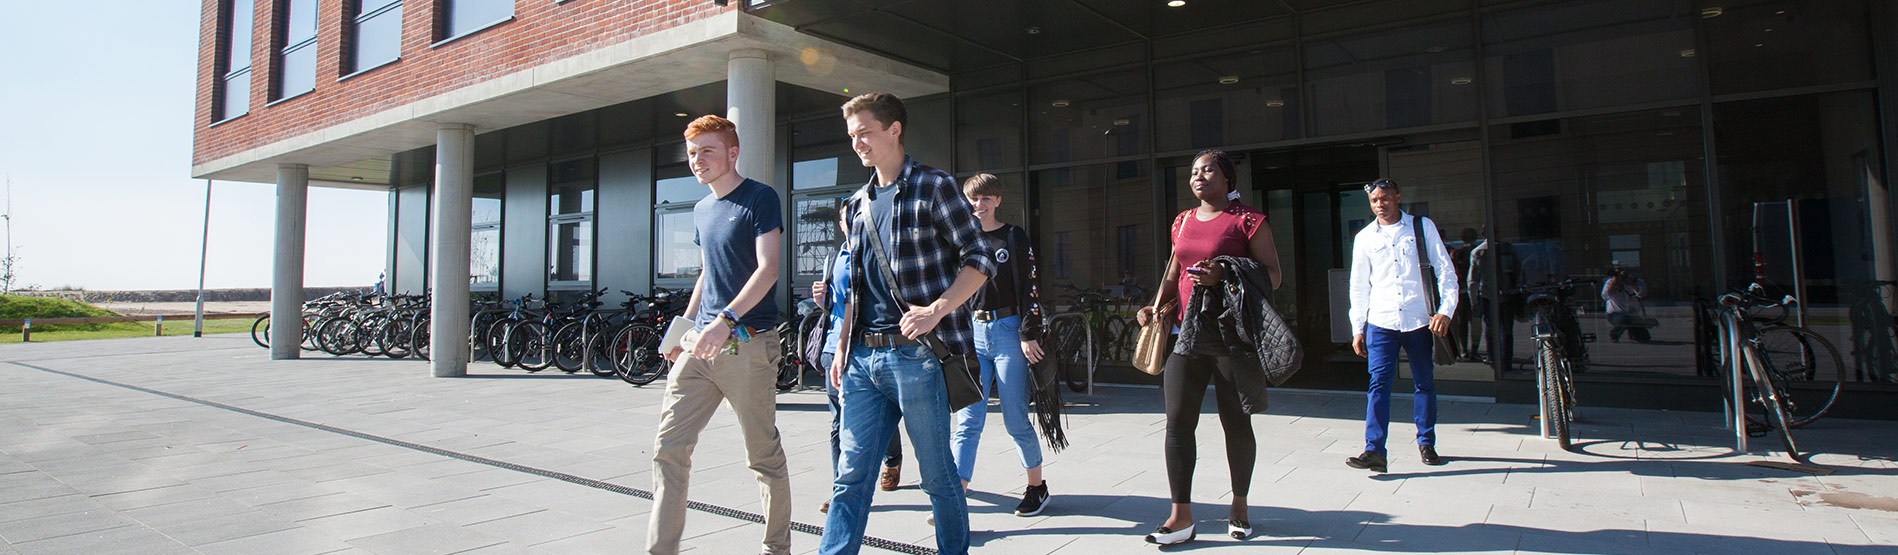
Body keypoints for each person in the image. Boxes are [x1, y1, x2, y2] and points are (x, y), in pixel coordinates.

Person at [819, 92, 994, 555]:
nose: (857, 143)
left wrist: (937, 309)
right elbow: (856, 286)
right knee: (850, 477)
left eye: (865, 132)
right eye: (852, 135)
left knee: (937, 476)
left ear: (894, 129)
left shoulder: (934, 186)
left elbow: (980, 258)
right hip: (861, 358)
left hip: (916, 356)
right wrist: (840, 349)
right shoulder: (857, 203)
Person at [646, 115, 791, 555]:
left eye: (707, 151)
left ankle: (776, 548)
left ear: (732, 152)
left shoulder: (759, 199)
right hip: (700, 346)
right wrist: (683, 329)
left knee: (762, 456)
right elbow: (709, 272)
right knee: (668, 449)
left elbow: (768, 270)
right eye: (692, 153)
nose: (697, 160)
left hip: (747, 345)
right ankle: (661, 550)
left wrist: (723, 320)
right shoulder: (701, 209)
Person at [1134, 149, 1281, 546]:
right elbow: (1173, 269)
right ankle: (1180, 516)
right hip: (1186, 335)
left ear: (1228, 178)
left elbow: (1273, 276)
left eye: (1208, 170)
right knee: (1178, 423)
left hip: (1231, 338)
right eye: (1194, 171)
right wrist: (1155, 303)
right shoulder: (1182, 221)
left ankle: (1239, 506)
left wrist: (1226, 271)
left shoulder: (1248, 220)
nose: (1199, 176)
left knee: (1236, 422)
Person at [950, 173, 1051, 516]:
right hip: (973, 334)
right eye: (974, 199)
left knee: (1014, 419)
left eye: (986, 198)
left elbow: (1030, 287)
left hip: (1008, 332)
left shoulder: (1013, 236)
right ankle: (956, 492)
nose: (980, 205)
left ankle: (1037, 486)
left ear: (998, 201)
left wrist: (1028, 333)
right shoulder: (961, 241)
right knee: (968, 420)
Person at [1346, 178, 1457, 473]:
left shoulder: (1421, 227)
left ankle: (1426, 442)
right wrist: (1358, 327)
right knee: (1378, 384)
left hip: (1420, 321)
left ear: (1398, 197)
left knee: (1424, 381)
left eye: (1385, 198)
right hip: (1381, 321)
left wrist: (1446, 311)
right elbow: (1358, 286)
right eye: (1374, 201)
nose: (1380, 205)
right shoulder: (1365, 237)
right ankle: (1374, 451)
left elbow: (1446, 270)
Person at [809, 211, 906, 515]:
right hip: (833, 346)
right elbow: (836, 303)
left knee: (880, 415)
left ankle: (892, 459)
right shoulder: (836, 255)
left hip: (865, 345)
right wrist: (821, 299)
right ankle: (842, 489)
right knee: (839, 422)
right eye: (846, 220)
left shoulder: (878, 252)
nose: (851, 224)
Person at [1468, 226, 1519, 369]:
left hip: (1489, 295)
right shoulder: (1507, 249)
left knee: (1492, 328)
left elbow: (1472, 280)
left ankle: (1493, 358)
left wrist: (1474, 300)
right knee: (1506, 329)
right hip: (1504, 293)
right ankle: (1505, 360)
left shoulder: (1479, 252)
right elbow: (1518, 270)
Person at [1603, 264, 1651, 343]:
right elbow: (1605, 296)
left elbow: (1642, 294)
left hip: (1632, 315)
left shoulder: (1638, 282)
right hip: (1615, 314)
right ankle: (1614, 335)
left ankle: (1632, 333)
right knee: (1623, 319)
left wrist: (1631, 284)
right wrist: (1614, 283)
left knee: (1645, 337)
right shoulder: (1610, 282)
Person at [1452, 228, 1480, 359]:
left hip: (1462, 290)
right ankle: (1474, 350)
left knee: (1462, 321)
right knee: (1475, 321)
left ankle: (1464, 349)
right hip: (1476, 290)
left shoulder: (1457, 253)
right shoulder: (1479, 251)